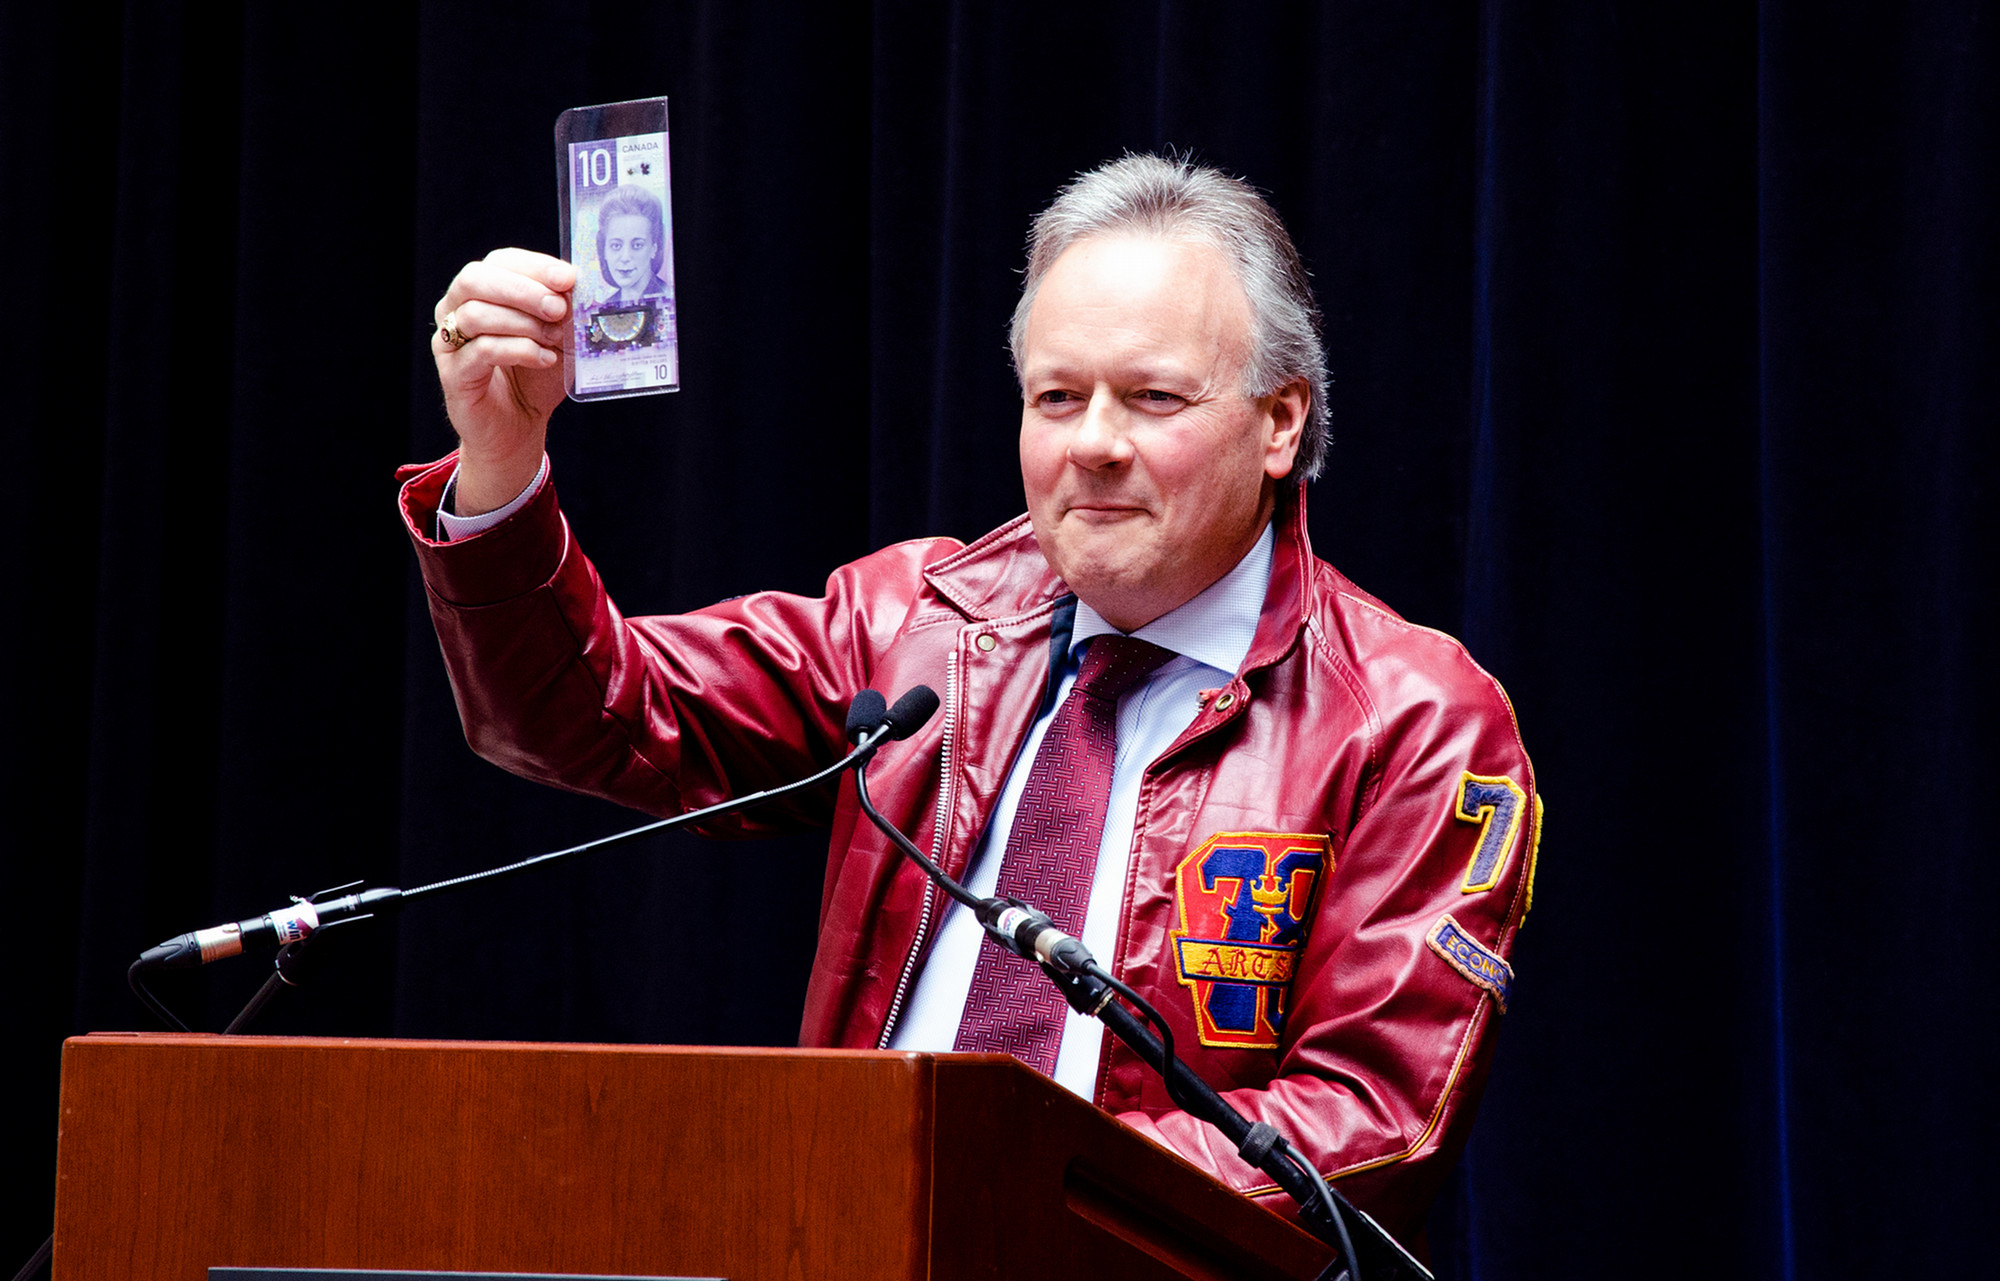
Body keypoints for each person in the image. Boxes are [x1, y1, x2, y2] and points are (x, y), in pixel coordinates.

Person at [408, 154, 1539, 1248]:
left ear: (1279, 423)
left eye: (1150, 398)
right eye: (1057, 396)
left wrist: (1000, 1195)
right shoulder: (923, 624)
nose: (1092, 444)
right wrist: (501, 461)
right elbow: (585, 715)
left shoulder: (1409, 718)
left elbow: (1369, 1124)